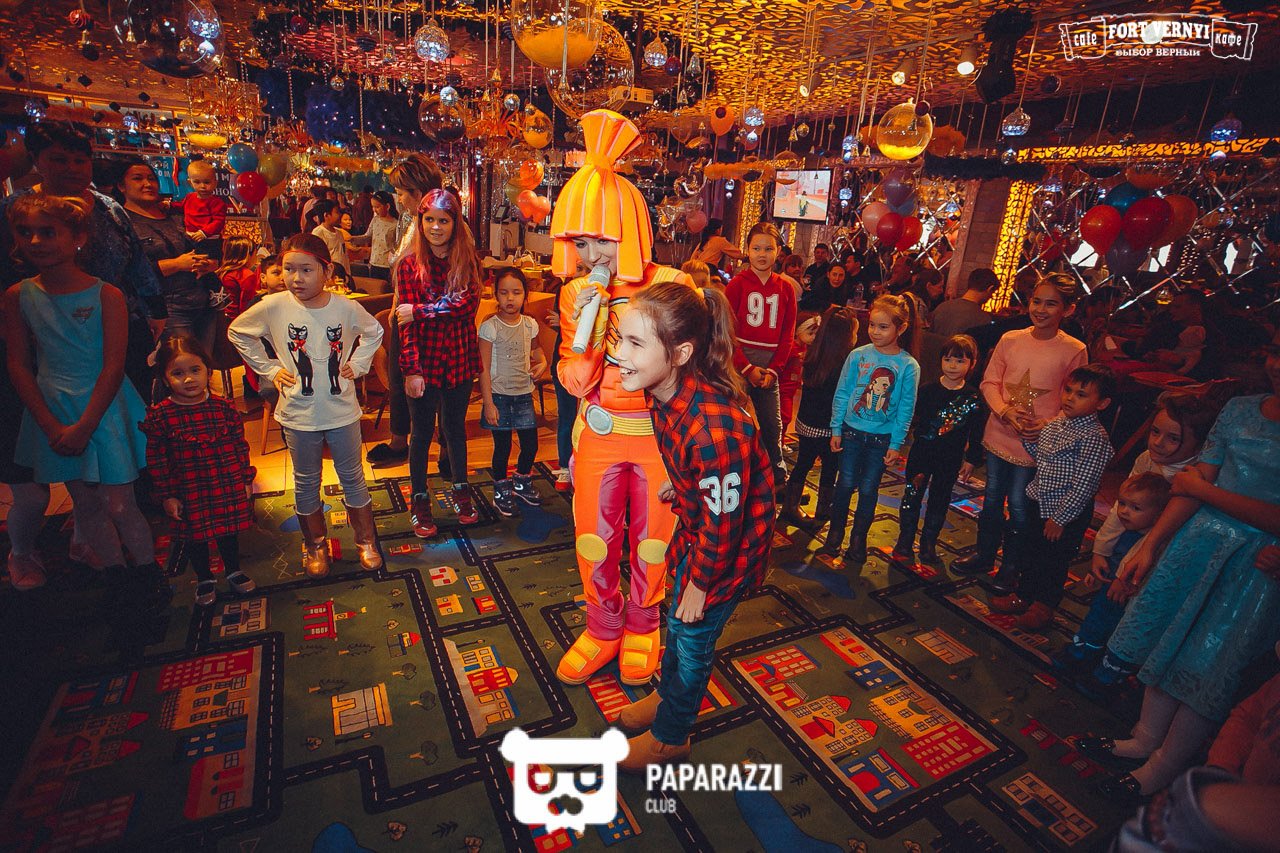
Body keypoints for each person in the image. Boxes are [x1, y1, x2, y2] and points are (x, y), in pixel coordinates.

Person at [1080, 349, 1280, 800]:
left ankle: (1164, 766)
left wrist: (1206, 492)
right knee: (1168, 640)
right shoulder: (1241, 408)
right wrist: (1150, 545)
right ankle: (1144, 739)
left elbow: (1199, 485)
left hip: (1256, 562)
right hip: (1199, 542)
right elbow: (1193, 485)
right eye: (1276, 351)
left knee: (1208, 661)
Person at [609, 281, 775, 772]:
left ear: (680, 353)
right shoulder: (663, 392)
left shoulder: (713, 430)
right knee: (677, 626)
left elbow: (725, 524)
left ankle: (671, 737)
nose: (619, 355)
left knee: (692, 640)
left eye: (635, 343)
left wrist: (702, 583)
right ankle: (667, 698)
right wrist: (682, 485)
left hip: (724, 554)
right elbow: (704, 478)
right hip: (701, 531)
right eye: (620, 338)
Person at [551, 109, 690, 687]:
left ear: (629, 231)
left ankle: (642, 626)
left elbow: (692, 370)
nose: (591, 254)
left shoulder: (674, 286)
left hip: (659, 438)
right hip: (599, 433)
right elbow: (574, 380)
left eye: (601, 238)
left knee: (653, 541)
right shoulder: (575, 293)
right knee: (595, 539)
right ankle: (603, 626)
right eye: (581, 241)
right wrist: (586, 328)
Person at [3, 194, 165, 601]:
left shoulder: (106, 295)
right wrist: (50, 424)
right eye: (25, 232)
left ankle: (148, 574)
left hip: (104, 406)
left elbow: (113, 366)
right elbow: (19, 364)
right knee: (85, 503)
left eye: (47, 232)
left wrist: (86, 424)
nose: (36, 241)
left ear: (77, 238)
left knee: (121, 503)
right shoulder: (18, 296)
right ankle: (115, 575)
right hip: (55, 406)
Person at [228, 233, 384, 576]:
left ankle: (366, 540)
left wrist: (359, 364)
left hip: (341, 411)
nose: (296, 278)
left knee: (353, 476)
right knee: (306, 480)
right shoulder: (273, 306)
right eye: (288, 269)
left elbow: (374, 331)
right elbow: (238, 331)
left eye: (306, 270)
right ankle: (315, 544)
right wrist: (269, 368)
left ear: (326, 271)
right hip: (298, 413)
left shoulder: (345, 307)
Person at [0, 123, 166, 403]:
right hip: (51, 333)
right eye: (60, 160)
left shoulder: (108, 207)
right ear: (37, 159)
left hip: (121, 323)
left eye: (80, 161)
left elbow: (137, 262)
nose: (72, 168)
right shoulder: (15, 210)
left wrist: (156, 309)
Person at [952, 274, 1089, 586]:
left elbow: (1078, 398)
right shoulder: (1010, 339)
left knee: (1019, 504)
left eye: (1051, 304)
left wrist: (1047, 425)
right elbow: (989, 382)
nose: (1040, 309)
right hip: (999, 434)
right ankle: (984, 553)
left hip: (1036, 442)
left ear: (1067, 309)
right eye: (1036, 301)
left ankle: (1012, 565)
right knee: (991, 498)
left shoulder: (1074, 349)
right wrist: (1004, 410)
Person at [990, 364, 1116, 629]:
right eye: (1068, 390)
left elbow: (1084, 485)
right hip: (1039, 500)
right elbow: (1042, 457)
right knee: (1031, 552)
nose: (1070, 398)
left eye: (1081, 395)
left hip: (1065, 512)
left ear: (1102, 403)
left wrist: (1060, 519)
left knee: (1053, 561)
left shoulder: (1094, 437)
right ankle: (1024, 595)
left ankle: (1044, 606)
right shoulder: (1057, 423)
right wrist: (1029, 438)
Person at [141, 336, 258, 607]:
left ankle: (233, 570)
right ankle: (205, 577)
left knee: (228, 530)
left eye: (195, 370)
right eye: (178, 373)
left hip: (224, 482)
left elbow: (239, 445)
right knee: (194, 534)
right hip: (188, 487)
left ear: (208, 370)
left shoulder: (223, 408)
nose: (189, 379)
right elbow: (156, 459)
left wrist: (245, 478)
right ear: (165, 378)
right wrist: (167, 495)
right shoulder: (161, 416)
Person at [396, 188, 483, 534]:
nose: (435, 226)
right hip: (424, 362)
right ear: (420, 222)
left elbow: (466, 306)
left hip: (460, 360)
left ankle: (461, 489)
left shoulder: (468, 260)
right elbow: (404, 326)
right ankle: (419, 498)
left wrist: (419, 311)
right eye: (429, 219)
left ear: (455, 222)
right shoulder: (408, 265)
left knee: (455, 430)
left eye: (443, 220)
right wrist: (412, 370)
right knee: (420, 435)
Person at [821, 294, 921, 571]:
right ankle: (835, 534)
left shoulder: (908, 366)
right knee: (844, 484)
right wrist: (836, 427)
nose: (875, 332)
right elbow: (843, 392)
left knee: (868, 489)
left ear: (901, 328)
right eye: (872, 325)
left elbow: (906, 408)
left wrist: (896, 443)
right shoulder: (858, 355)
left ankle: (858, 540)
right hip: (851, 433)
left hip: (881, 439)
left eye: (883, 327)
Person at [365, 154, 445, 469]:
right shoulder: (412, 222)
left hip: (427, 318)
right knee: (399, 377)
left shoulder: (438, 222)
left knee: (432, 384)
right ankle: (400, 441)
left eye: (401, 192)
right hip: (404, 311)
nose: (398, 199)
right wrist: (395, 303)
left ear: (418, 191)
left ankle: (440, 448)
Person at [1088, 392, 1215, 581]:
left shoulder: (1193, 477)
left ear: (1199, 445)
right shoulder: (1146, 459)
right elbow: (1123, 503)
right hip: (1131, 535)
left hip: (1165, 552)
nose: (1157, 443)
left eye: (1173, 439)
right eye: (1155, 432)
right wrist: (1101, 549)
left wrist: (1126, 572)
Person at [1053, 472, 1171, 672]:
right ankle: (1087, 650)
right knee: (1099, 616)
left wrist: (1125, 583)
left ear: (1159, 515)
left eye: (1135, 508)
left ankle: (1085, 653)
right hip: (1109, 586)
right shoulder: (1126, 531)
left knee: (1105, 620)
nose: (1124, 512)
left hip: (1123, 592)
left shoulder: (1152, 544)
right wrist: (1095, 572)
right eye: (1122, 503)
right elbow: (1112, 556)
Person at [890, 334, 986, 566]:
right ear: (940, 360)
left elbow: (976, 432)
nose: (953, 366)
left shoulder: (973, 397)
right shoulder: (927, 390)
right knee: (912, 494)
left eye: (960, 361)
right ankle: (905, 539)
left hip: (950, 458)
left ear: (972, 364)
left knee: (940, 499)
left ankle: (928, 543)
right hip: (921, 453)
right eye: (948, 359)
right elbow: (911, 418)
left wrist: (971, 459)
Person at [117, 158, 220, 356]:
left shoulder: (176, 215)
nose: (147, 184)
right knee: (180, 364)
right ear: (122, 186)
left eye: (151, 178)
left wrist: (210, 263)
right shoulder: (124, 222)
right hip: (167, 310)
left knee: (202, 366)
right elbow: (127, 272)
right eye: (138, 178)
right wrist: (177, 264)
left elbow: (210, 246)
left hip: (203, 303)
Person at [725, 222, 797, 491]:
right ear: (747, 250)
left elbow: (788, 335)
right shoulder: (736, 285)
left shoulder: (786, 288)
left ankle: (776, 477)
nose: (762, 254)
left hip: (770, 369)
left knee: (771, 424)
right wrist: (746, 368)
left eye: (768, 249)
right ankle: (734, 474)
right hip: (738, 366)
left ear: (778, 252)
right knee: (734, 422)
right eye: (756, 248)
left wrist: (774, 370)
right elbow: (726, 332)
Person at [778, 306, 857, 529]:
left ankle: (791, 506)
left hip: (806, 423)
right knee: (829, 467)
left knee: (804, 462)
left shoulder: (814, 354)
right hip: (828, 427)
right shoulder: (843, 364)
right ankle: (821, 510)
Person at [478, 268, 547, 517]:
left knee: (530, 445)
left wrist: (542, 363)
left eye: (516, 292)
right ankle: (501, 489)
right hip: (499, 395)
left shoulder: (530, 324)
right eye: (504, 292)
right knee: (503, 447)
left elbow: (537, 351)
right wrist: (488, 403)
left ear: (525, 294)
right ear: (495, 294)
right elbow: (483, 368)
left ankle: (521, 481)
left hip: (524, 394)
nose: (510, 298)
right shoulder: (490, 327)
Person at [181, 159, 227, 261]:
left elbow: (219, 221)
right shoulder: (189, 197)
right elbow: (181, 206)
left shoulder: (217, 202)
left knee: (208, 262)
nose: (202, 186)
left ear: (215, 183)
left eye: (207, 182)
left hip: (209, 239)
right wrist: (168, 205)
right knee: (191, 261)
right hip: (190, 237)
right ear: (190, 183)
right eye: (197, 182)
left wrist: (204, 232)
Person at [931, 268, 997, 337]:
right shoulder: (983, 319)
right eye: (992, 293)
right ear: (990, 289)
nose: (991, 296)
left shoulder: (942, 307)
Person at [217, 236, 260, 322]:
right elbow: (247, 307)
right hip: (235, 321)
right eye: (255, 253)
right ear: (248, 255)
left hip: (218, 319)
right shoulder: (246, 275)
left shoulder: (220, 272)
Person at [362, 191, 399, 280]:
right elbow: (367, 237)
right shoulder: (375, 220)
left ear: (387, 206)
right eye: (373, 207)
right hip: (374, 264)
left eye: (377, 207)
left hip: (388, 266)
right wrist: (352, 239)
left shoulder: (396, 224)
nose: (374, 210)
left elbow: (397, 246)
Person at [310, 200, 351, 277]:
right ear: (326, 215)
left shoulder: (339, 233)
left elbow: (344, 256)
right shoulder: (318, 233)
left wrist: (348, 274)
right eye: (337, 212)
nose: (340, 215)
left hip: (341, 274)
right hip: (329, 275)